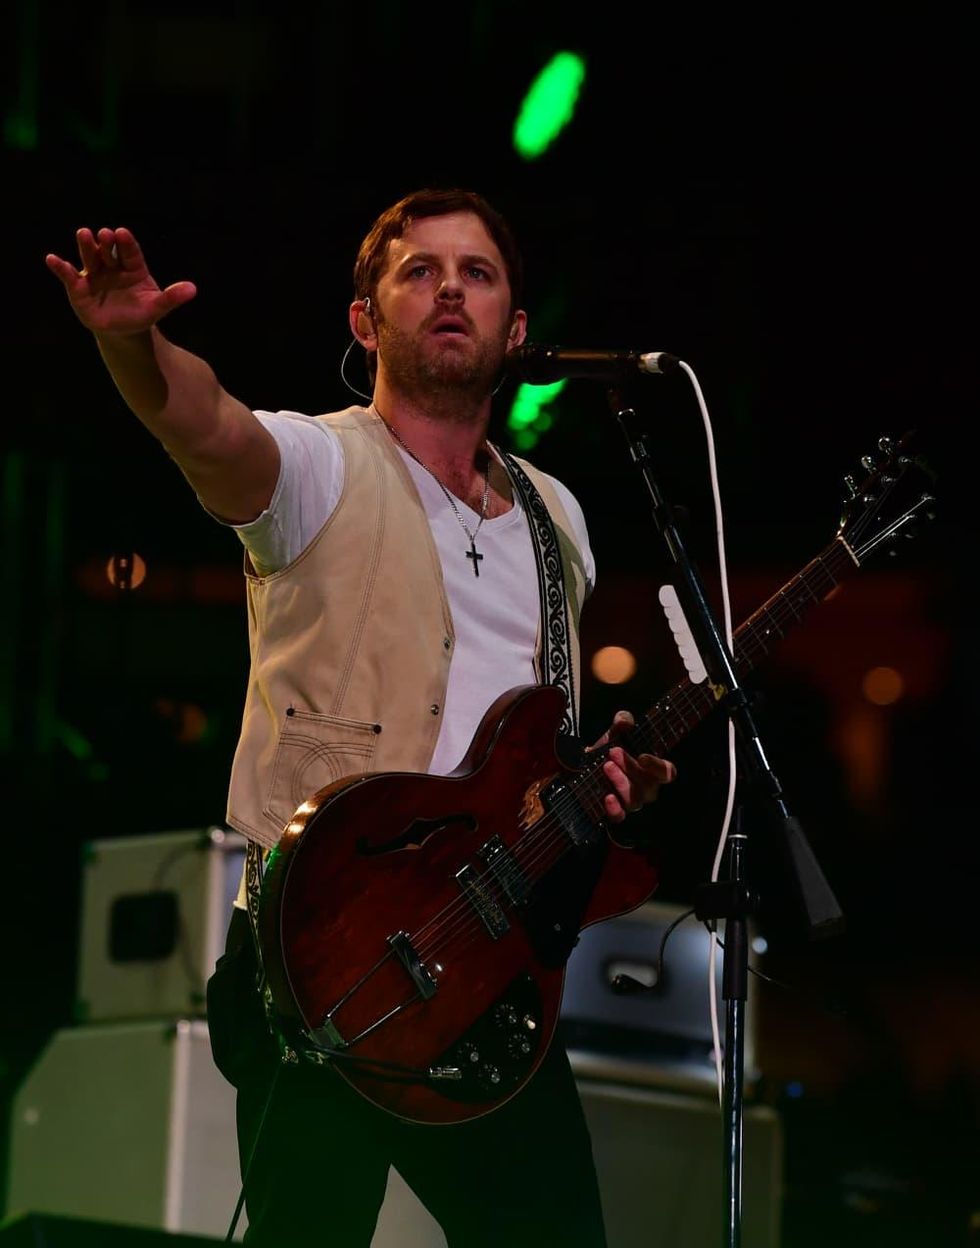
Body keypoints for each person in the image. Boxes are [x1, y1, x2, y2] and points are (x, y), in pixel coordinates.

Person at [46, 187, 677, 1248]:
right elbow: (203, 422)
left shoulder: (555, 516)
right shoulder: (316, 466)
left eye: (475, 274)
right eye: (416, 271)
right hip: (324, 955)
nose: (448, 292)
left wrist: (598, 786)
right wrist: (134, 351)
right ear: (364, 319)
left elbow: (529, 744)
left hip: (485, 968)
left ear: (513, 328)